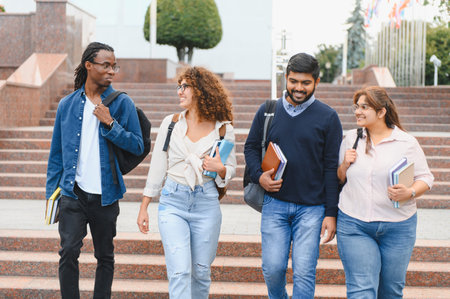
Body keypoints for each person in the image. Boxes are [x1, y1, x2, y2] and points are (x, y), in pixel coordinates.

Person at [46, 42, 144, 299]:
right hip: (73, 193)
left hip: (106, 195)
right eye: (106, 65)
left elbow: (137, 145)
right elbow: (56, 153)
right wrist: (51, 194)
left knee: (105, 256)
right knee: (68, 251)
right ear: (89, 65)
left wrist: (110, 123)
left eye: (114, 66)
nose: (112, 71)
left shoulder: (121, 103)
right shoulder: (67, 105)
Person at [244, 53, 343, 298]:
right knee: (272, 268)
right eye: (294, 81)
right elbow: (250, 147)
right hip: (274, 204)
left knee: (305, 271)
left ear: (316, 82)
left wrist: (331, 213)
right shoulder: (268, 111)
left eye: (305, 83)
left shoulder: (329, 118)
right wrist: (259, 177)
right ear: (286, 79)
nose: (299, 88)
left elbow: (332, 168)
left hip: (312, 208)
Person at [137, 66, 236, 299]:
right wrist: (144, 206)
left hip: (206, 203)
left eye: (185, 86)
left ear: (201, 91)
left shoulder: (223, 129)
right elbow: (157, 167)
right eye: (178, 87)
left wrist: (219, 168)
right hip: (173, 202)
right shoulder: (170, 124)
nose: (179, 92)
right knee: (180, 271)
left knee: (200, 272)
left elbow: (229, 170)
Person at [336, 86, 434, 298]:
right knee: (361, 290)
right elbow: (338, 178)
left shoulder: (406, 142)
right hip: (354, 223)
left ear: (381, 112)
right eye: (357, 106)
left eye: (364, 107)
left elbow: (426, 178)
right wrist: (344, 164)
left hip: (398, 226)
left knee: (390, 290)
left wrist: (409, 192)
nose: (358, 112)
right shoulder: (351, 138)